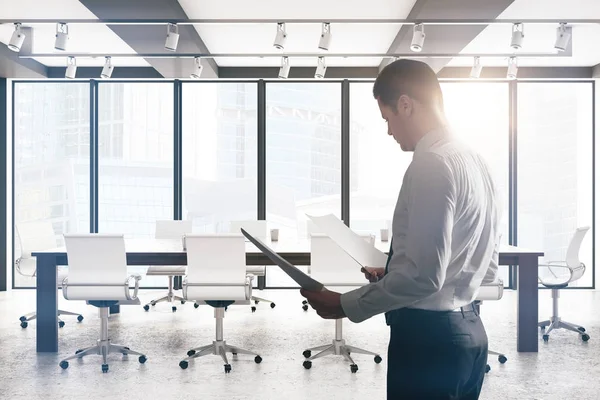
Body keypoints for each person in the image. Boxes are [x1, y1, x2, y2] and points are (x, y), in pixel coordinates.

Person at [300, 59, 503, 399]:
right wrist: (395, 271)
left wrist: (344, 304)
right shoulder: (475, 160)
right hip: (470, 335)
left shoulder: (432, 164)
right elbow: (485, 266)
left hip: (429, 341)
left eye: (387, 118)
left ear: (405, 105)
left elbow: (424, 277)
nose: (389, 131)